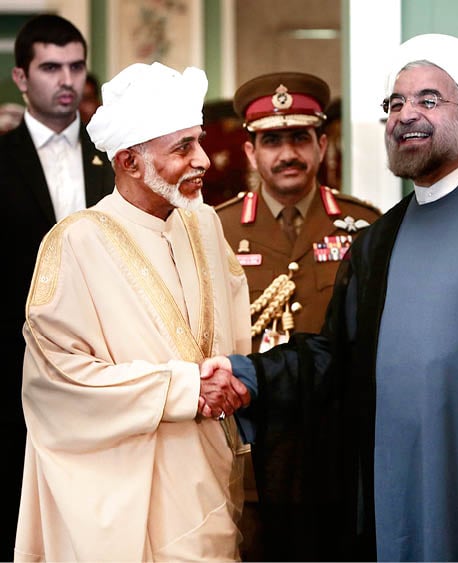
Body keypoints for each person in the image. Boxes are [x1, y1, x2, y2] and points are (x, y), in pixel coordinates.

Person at [203, 33, 458, 562]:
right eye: (394, 104)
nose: (404, 115)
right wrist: (247, 373)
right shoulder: (379, 239)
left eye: (427, 100)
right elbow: (336, 355)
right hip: (393, 477)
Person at [14, 61, 252, 561]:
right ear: (129, 161)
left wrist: (234, 379)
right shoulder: (75, 241)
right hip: (125, 499)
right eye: (182, 148)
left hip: (209, 481)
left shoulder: (205, 223)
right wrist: (183, 389)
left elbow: (235, 327)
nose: (204, 160)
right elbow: (56, 386)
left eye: (199, 141)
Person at [215, 71, 381, 560]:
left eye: (299, 138)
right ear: (250, 152)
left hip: (337, 448)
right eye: (271, 140)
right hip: (251, 448)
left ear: (322, 143)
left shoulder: (364, 226)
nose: (287, 153)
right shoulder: (215, 230)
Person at [0, 14, 114, 560]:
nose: (66, 80)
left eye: (75, 66)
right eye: (50, 68)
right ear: (21, 77)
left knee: (95, 515)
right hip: (17, 368)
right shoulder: (2, 158)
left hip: (107, 363)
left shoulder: (118, 159)